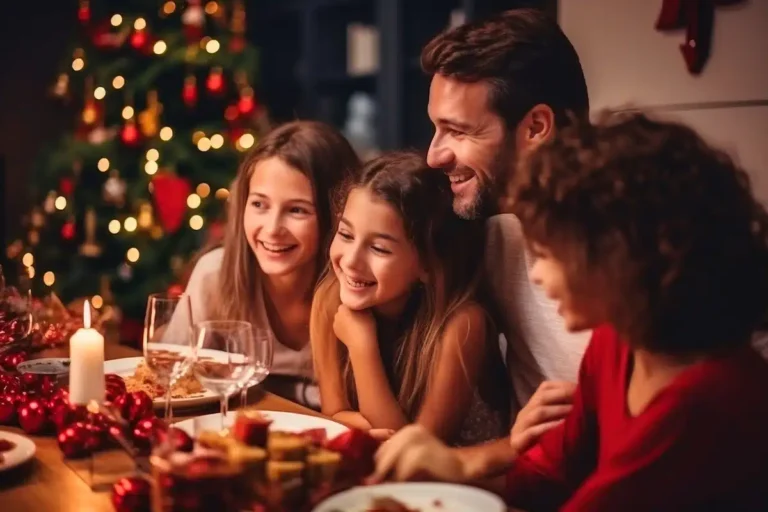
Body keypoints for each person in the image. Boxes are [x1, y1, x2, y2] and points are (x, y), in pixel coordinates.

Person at [372, 113, 768, 510]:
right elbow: (546, 476)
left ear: (620, 258)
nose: (539, 276)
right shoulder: (618, 340)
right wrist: (451, 465)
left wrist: (453, 467)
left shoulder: (704, 402)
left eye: (547, 254)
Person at [420, 6, 592, 465]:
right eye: (436, 128)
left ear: (535, 127)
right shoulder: (493, 236)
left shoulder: (645, 253)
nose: (433, 155)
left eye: (457, 130)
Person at [310, 151, 509, 446]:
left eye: (379, 248)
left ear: (427, 265)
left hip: (454, 486)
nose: (351, 261)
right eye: (346, 235)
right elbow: (333, 414)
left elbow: (416, 452)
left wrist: (362, 347)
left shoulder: (462, 324)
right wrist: (377, 431)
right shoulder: (329, 301)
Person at [166, 120, 360, 409]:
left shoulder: (356, 289)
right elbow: (171, 378)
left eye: (297, 210)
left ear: (336, 215)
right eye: (259, 204)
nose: (272, 229)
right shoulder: (214, 276)